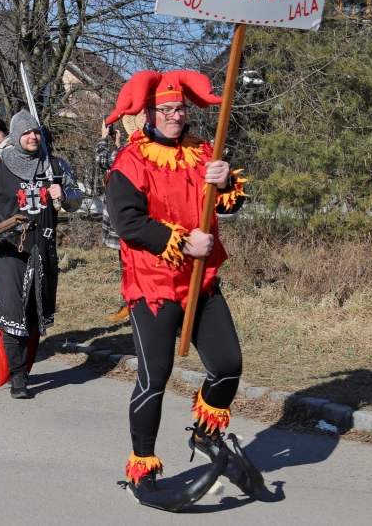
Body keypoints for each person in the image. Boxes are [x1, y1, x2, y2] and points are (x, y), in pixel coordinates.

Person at [104, 70, 257, 510]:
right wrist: (184, 242)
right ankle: (143, 471)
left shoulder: (202, 152)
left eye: (180, 109)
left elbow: (230, 204)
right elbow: (127, 222)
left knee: (228, 365)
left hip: (200, 282)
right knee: (155, 376)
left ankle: (207, 437)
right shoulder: (130, 160)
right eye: (166, 110)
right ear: (149, 114)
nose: (175, 116)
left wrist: (224, 181)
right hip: (152, 285)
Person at [0, 112, 82, 398]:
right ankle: (17, 375)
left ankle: (23, 368)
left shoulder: (55, 166)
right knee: (12, 311)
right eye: (26, 133)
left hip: (44, 249)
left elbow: (77, 200)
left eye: (36, 132)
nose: (32, 137)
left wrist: (64, 195)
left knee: (34, 313)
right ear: (15, 135)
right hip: (8, 249)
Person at [95, 118, 130, 322]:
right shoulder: (136, 149)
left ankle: (129, 305)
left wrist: (102, 137)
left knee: (127, 265)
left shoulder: (129, 151)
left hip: (126, 218)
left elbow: (102, 160)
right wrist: (117, 145)